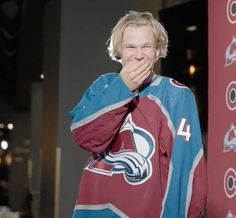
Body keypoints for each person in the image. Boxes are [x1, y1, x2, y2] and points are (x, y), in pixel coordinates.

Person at [70, 11, 207, 218]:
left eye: (147, 46)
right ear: (119, 51)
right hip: (94, 209)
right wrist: (123, 88)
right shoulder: (103, 86)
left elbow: (187, 170)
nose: (139, 55)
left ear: (158, 49)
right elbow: (86, 136)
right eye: (131, 47)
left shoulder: (176, 95)